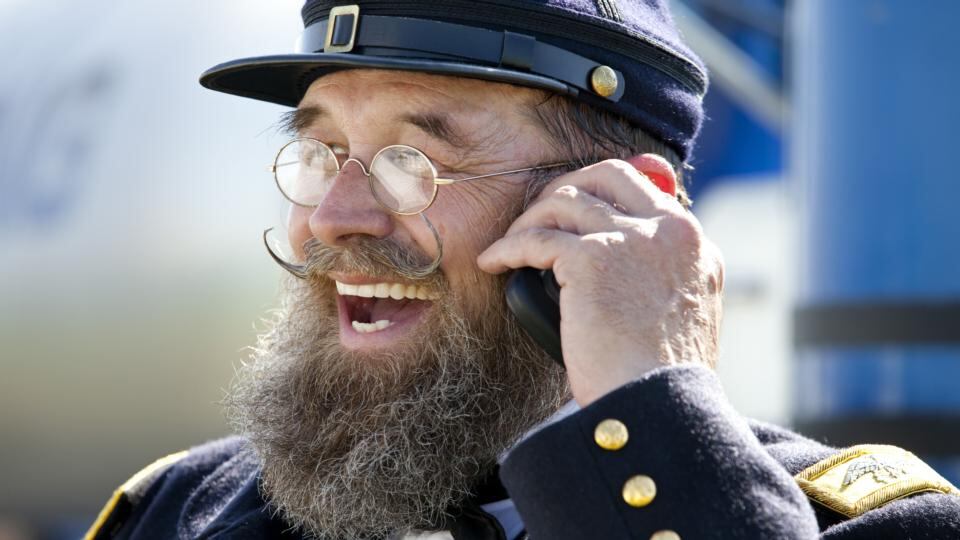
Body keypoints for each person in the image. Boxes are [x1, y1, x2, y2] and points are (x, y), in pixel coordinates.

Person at [86, 1, 960, 539]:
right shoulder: (177, 512)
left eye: (411, 160)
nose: (334, 218)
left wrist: (652, 413)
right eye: (321, 151)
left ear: (623, 208)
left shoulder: (888, 527)